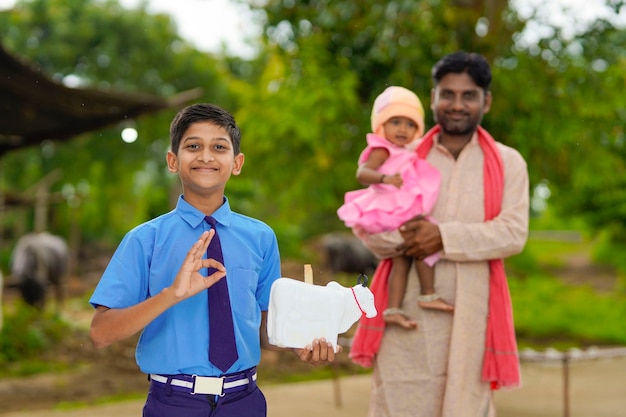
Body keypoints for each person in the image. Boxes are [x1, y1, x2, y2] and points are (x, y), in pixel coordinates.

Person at [89, 103, 338, 417]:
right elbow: (100, 333)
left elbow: (269, 321)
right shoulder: (144, 240)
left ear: (237, 163)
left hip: (244, 401)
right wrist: (171, 295)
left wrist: (302, 345)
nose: (206, 156)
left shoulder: (261, 238)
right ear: (172, 160)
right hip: (174, 402)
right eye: (193, 146)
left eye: (219, 147)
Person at [353, 52, 529, 416]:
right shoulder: (401, 156)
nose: (457, 104)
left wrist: (442, 236)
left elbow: (513, 233)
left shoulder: (508, 162)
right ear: (432, 98)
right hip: (409, 318)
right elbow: (369, 227)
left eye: (469, 95)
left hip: (473, 319)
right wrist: (408, 237)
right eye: (447, 94)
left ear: (486, 101)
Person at [337, 86, 453, 330]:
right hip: (387, 212)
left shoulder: (406, 151)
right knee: (419, 243)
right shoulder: (382, 148)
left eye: (410, 125)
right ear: (381, 125)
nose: (403, 129)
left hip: (400, 211)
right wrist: (384, 179)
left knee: (404, 259)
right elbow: (362, 173)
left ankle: (395, 308)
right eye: (396, 122)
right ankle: (427, 294)